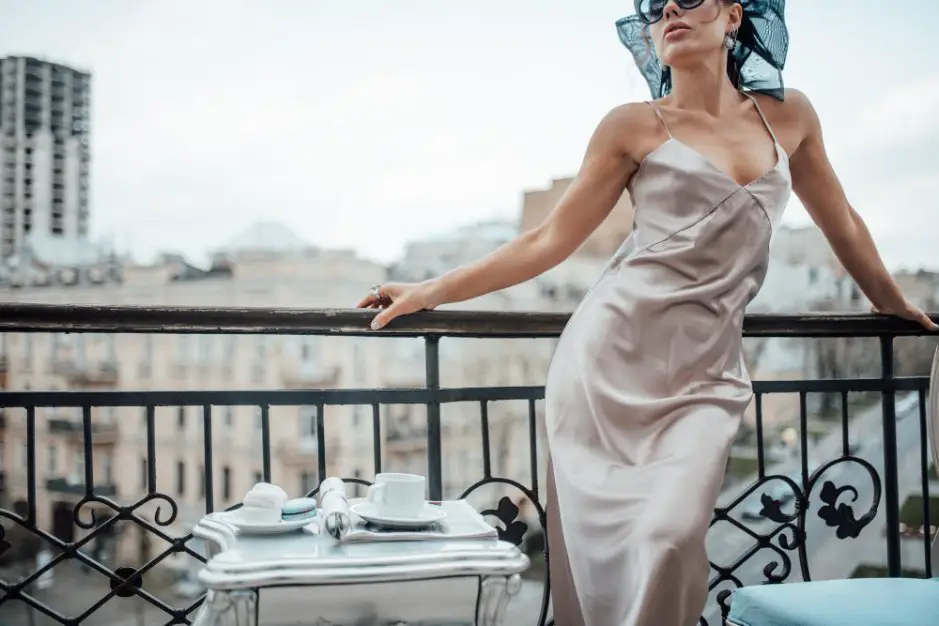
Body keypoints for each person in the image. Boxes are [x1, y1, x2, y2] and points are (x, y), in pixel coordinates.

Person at [357, 1, 938, 624]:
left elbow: (842, 220)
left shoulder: (789, 117)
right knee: (613, 558)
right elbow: (547, 240)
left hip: (706, 380)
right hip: (607, 367)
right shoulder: (632, 126)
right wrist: (431, 291)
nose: (668, 12)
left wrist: (892, 302)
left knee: (667, 538)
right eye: (654, 7)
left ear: (735, 15)